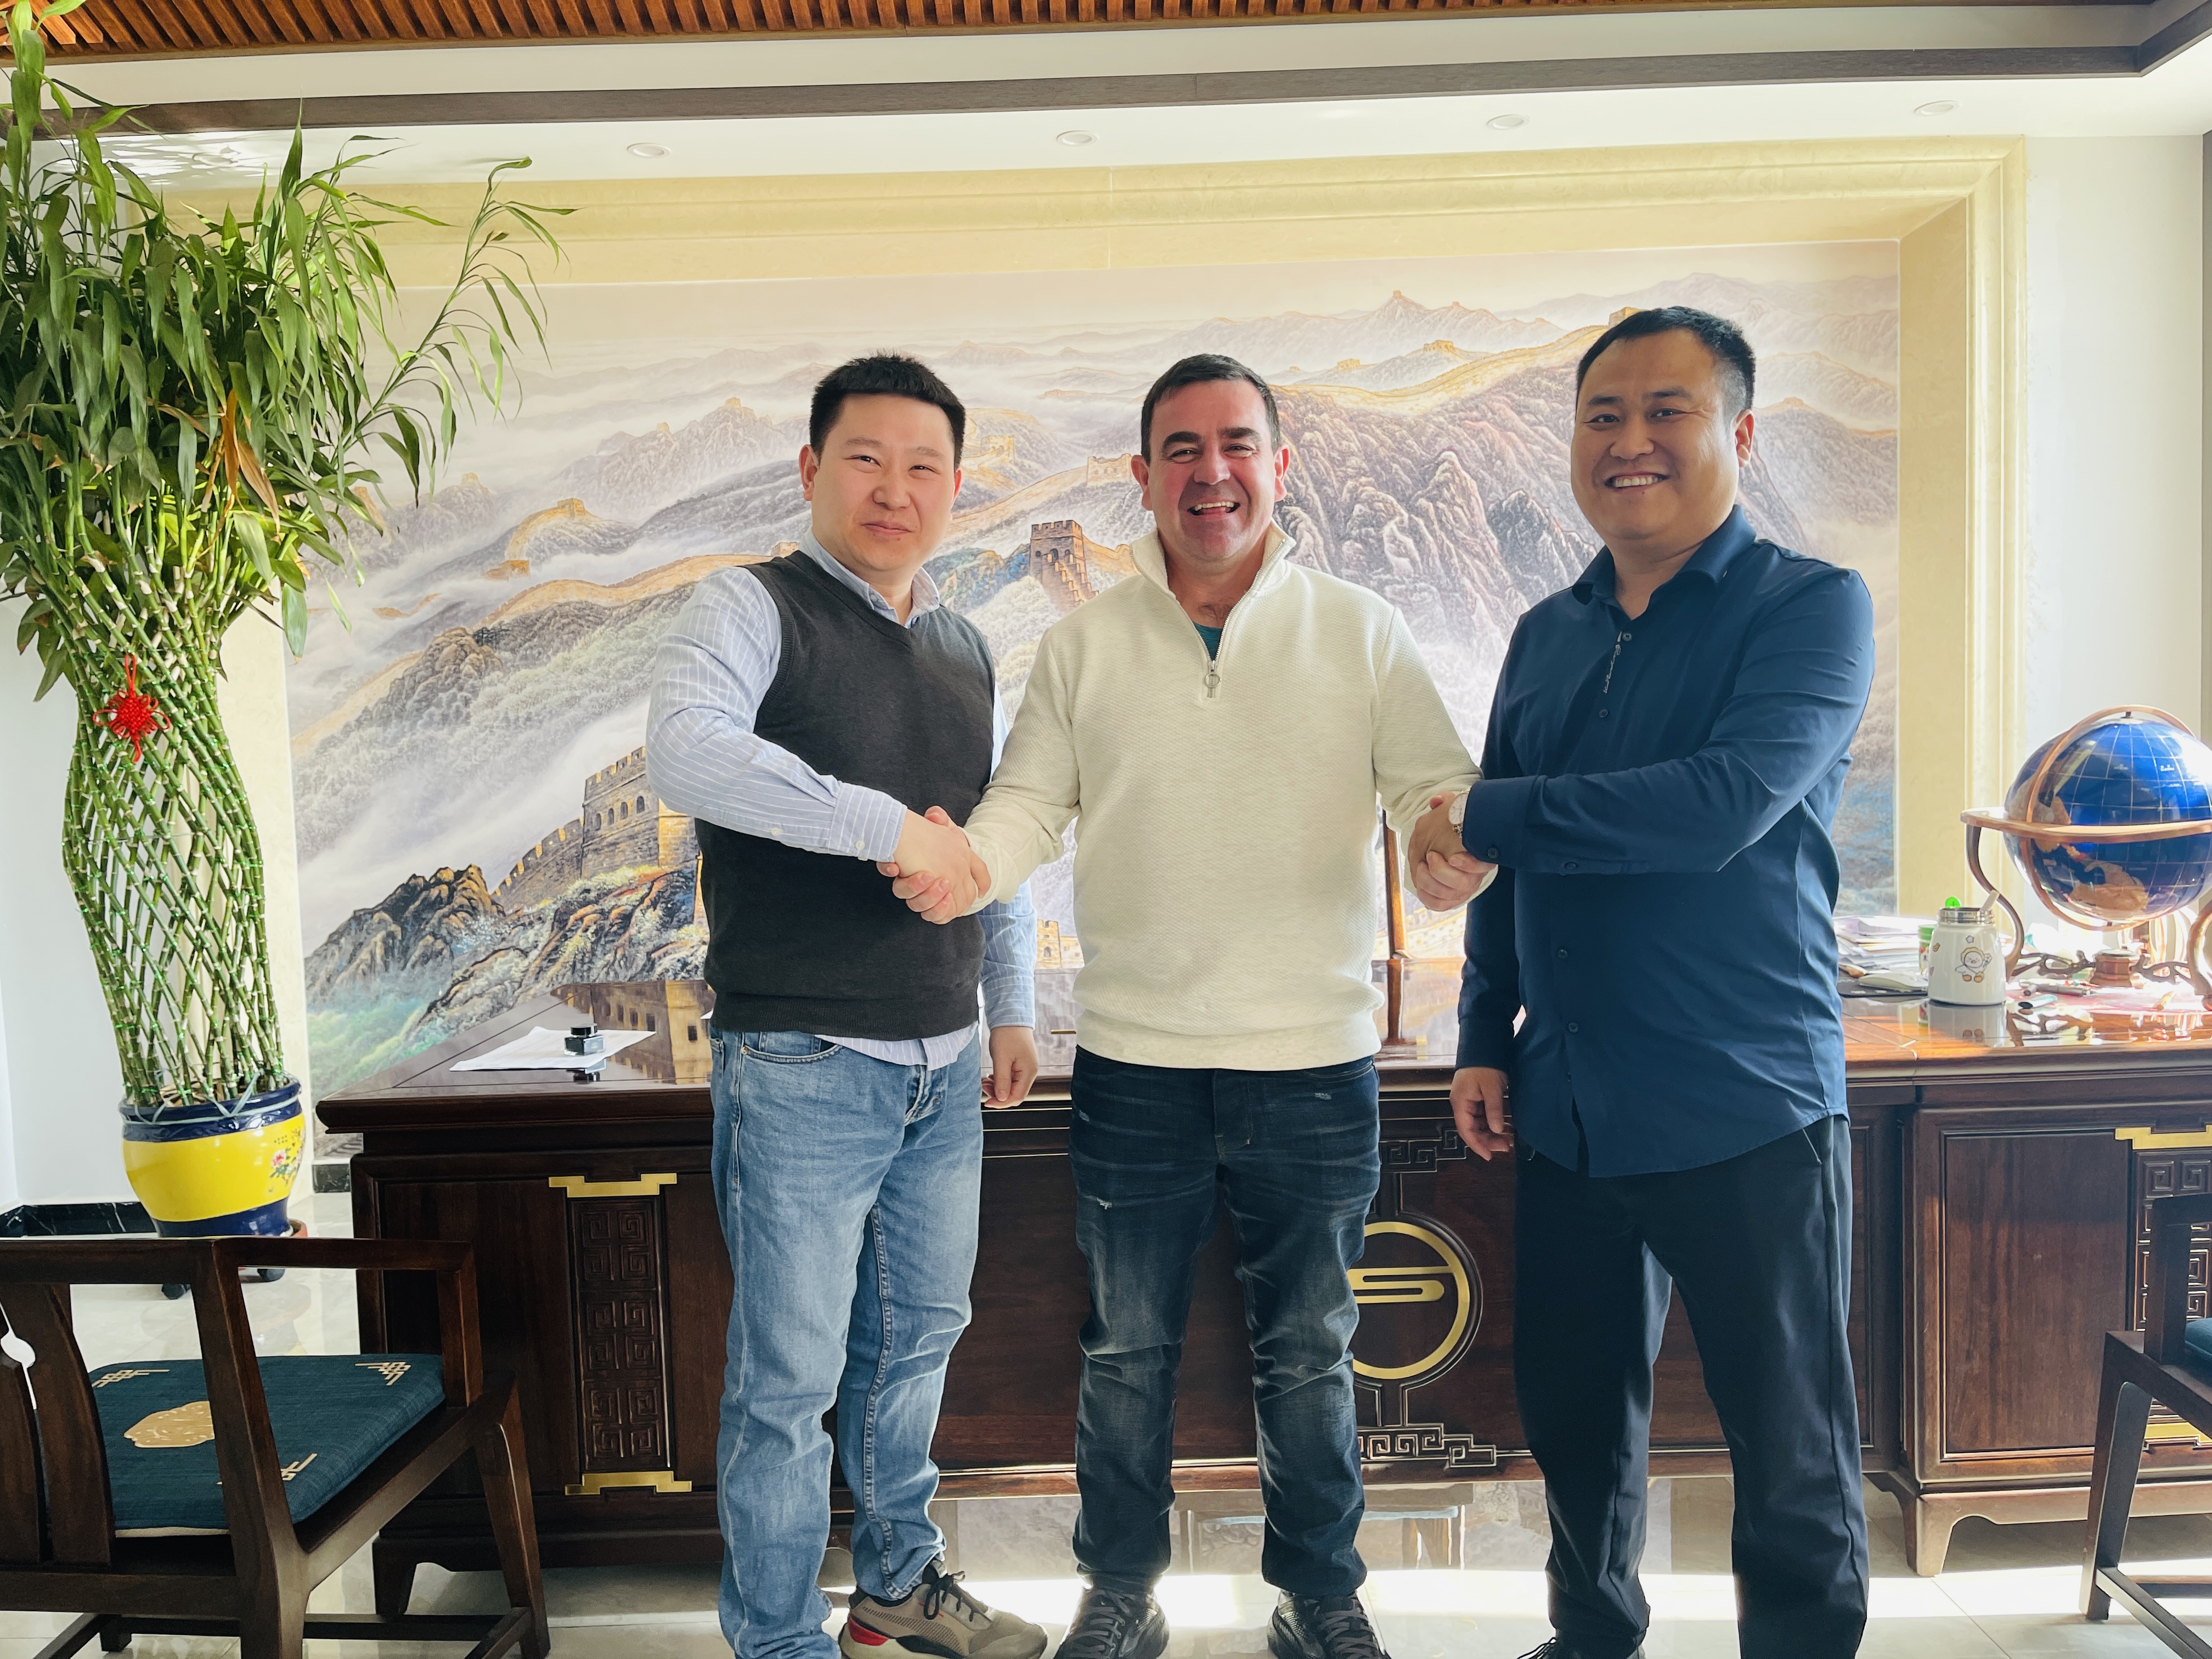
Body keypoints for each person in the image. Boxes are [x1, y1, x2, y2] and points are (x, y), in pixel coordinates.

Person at [885, 354, 1490, 1659]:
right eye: (1181, 449)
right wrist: (970, 864)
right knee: (1126, 1352)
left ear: (1279, 465)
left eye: (1236, 445)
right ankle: (1121, 1594)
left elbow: (1432, 793)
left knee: (1311, 1353)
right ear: (1144, 476)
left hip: (1314, 1063)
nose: (1211, 473)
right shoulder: (1085, 646)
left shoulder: (1360, 630)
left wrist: (1448, 849)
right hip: (1136, 1065)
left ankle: (1319, 1600)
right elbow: (1028, 806)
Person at [1410, 306, 1877, 1659]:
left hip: (1746, 1102)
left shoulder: (1810, 608)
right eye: (1603, 416)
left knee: (1786, 1440)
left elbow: (1715, 807)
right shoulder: (1545, 632)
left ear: (1740, 431)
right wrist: (1484, 1031)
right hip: (1569, 1103)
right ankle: (1592, 1637)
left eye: (1667, 411)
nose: (1631, 442)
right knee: (1574, 1418)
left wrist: (1484, 812)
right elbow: (1510, 868)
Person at [646, 353, 1048, 1659]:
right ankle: (777, 1639)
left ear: (955, 488)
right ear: (812, 469)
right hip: (802, 1061)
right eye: (866, 460)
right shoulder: (751, 604)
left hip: (946, 1067)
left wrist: (1011, 1003)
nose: (895, 489)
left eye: (925, 466)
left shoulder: (965, 645)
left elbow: (990, 841)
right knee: (789, 1380)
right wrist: (887, 829)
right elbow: (686, 747)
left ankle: (897, 1584)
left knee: (918, 1344)